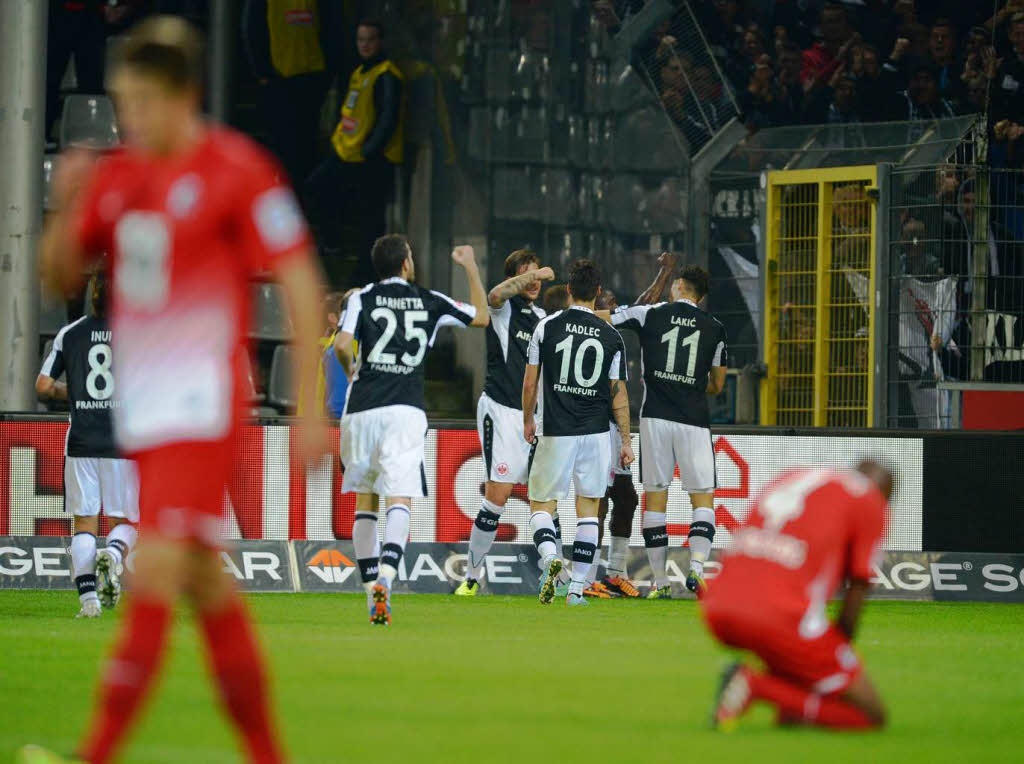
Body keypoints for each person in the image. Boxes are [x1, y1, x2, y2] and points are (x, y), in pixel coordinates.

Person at [26, 16, 328, 764]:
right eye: (125, 102)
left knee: (153, 565)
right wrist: (66, 206)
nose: (133, 118)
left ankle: (94, 753)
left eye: (146, 102)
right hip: (144, 411)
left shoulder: (240, 168)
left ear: (185, 93)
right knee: (203, 581)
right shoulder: (118, 176)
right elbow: (61, 278)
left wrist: (315, 407)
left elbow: (297, 279)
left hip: (205, 402)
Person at [333, 235, 488, 624]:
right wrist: (469, 266)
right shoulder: (428, 299)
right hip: (405, 408)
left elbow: (342, 342)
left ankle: (371, 591)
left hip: (363, 406)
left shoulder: (362, 297)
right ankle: (388, 574)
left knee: (365, 501)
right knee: (400, 500)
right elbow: (482, 316)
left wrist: (352, 369)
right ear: (405, 263)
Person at [703, 460, 893, 732]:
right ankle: (757, 686)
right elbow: (857, 589)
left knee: (796, 661)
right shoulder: (870, 501)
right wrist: (836, 651)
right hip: (777, 616)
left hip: (717, 604)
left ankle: (790, 706)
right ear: (885, 495)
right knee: (871, 714)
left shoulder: (793, 476)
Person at [608, 265, 727, 599]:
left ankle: (660, 583)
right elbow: (717, 384)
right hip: (693, 420)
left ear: (677, 286)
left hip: (655, 418)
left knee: (656, 500)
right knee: (702, 498)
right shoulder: (715, 328)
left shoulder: (651, 313)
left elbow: (609, 318)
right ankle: (697, 568)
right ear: (701, 296)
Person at [522, 259, 634, 608]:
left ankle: (550, 555)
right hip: (597, 435)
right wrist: (627, 441)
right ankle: (577, 591)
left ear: (568, 290)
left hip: (557, 430)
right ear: (598, 293)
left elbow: (530, 381)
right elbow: (619, 393)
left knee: (541, 504)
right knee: (589, 510)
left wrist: (528, 419)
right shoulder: (612, 336)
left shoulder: (546, 326)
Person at [36, 272, 139, 618]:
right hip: (123, 441)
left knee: (84, 523)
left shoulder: (70, 333)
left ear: (92, 295)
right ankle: (112, 554)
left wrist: (74, 393)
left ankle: (89, 603)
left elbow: (43, 386)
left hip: (81, 440)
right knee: (126, 521)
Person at [455, 250, 555, 596]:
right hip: (500, 409)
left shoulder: (543, 318)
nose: (535, 282)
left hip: (534, 416)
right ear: (515, 277)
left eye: (537, 276)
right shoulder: (502, 309)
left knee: (545, 496)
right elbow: (495, 295)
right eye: (526, 275)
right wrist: (534, 272)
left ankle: (551, 570)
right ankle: (471, 577)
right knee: (499, 494)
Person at [306, 18, 404, 288]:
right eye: (361, 40)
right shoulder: (360, 72)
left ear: (380, 41)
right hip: (347, 153)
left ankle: (365, 273)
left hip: (370, 160)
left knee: (369, 220)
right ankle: (337, 246)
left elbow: (387, 119)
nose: (365, 45)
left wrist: (369, 151)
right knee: (317, 188)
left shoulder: (387, 74)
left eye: (370, 39)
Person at [242, 0, 341, 187]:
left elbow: (251, 28)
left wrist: (262, 71)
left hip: (295, 77)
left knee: (291, 146)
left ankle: (294, 198)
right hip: (295, 76)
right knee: (297, 146)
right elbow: (332, 29)